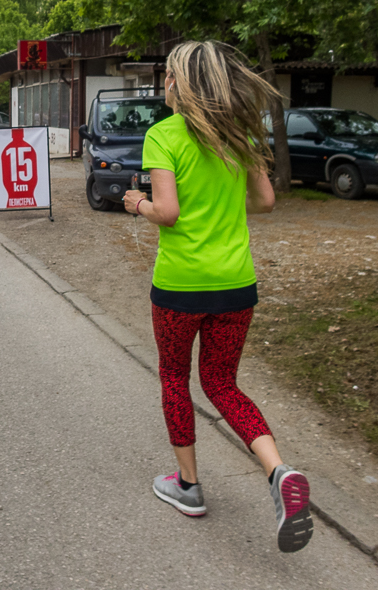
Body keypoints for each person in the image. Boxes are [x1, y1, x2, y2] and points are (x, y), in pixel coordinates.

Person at [122, 41, 312, 553]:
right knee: (223, 383)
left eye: (168, 76)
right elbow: (266, 201)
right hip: (236, 284)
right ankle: (279, 472)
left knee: (173, 377)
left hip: (181, 287)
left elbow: (168, 213)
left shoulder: (163, 135)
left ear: (181, 84)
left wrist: (137, 202)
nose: (163, 83)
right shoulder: (240, 135)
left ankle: (188, 486)